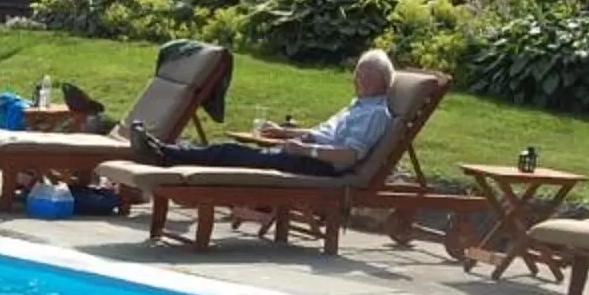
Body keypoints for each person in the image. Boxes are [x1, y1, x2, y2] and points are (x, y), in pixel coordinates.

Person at [126, 51, 397, 176]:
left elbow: (349, 155)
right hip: (306, 155)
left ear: (380, 80)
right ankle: (165, 153)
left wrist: (305, 151)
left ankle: (163, 155)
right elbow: (323, 134)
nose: (356, 79)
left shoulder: (374, 113)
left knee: (231, 153)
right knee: (232, 151)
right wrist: (286, 133)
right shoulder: (357, 106)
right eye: (357, 72)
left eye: (363, 75)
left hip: (318, 165)